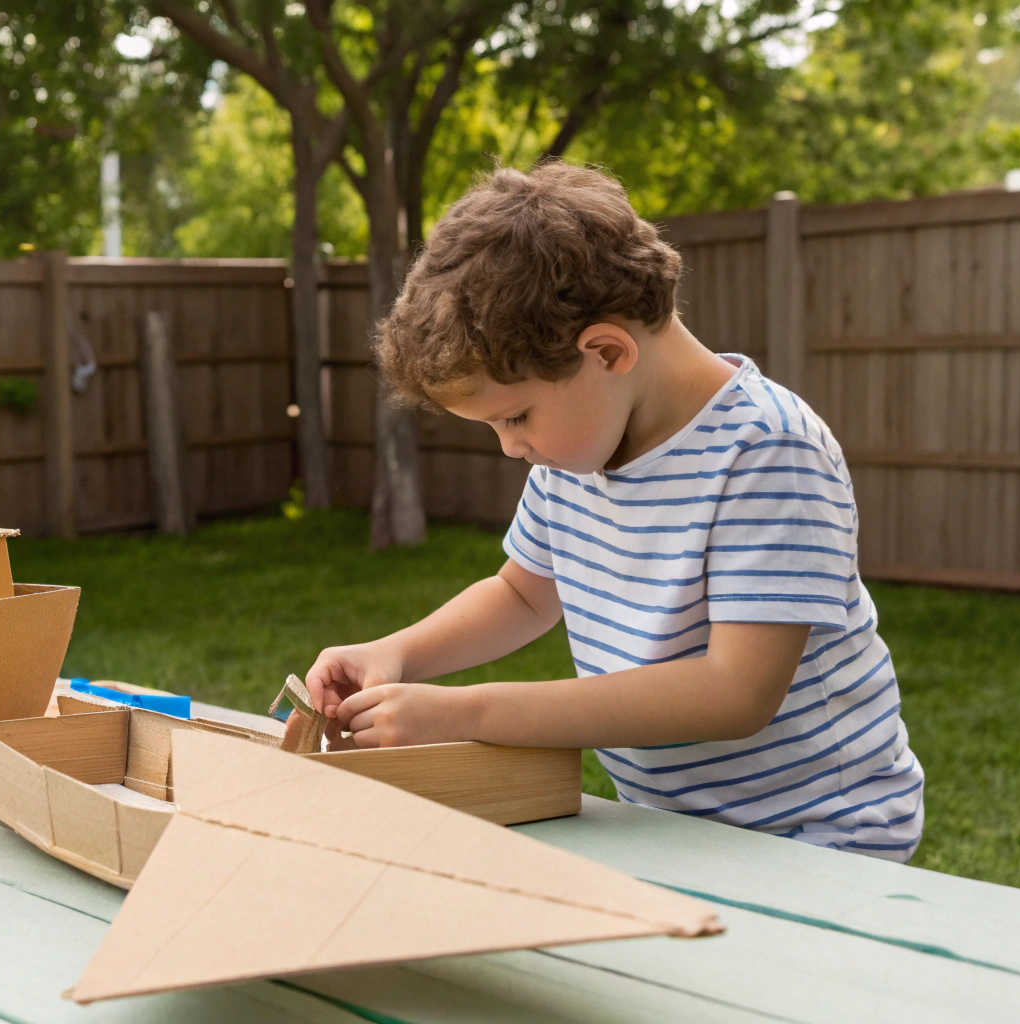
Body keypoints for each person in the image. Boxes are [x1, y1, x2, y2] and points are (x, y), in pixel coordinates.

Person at [304, 163, 923, 861]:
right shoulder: (575, 454)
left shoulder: (768, 448)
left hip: (820, 834)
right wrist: (397, 654)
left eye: (516, 417)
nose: (511, 447)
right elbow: (521, 595)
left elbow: (735, 693)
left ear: (606, 351)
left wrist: (467, 712)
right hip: (671, 824)